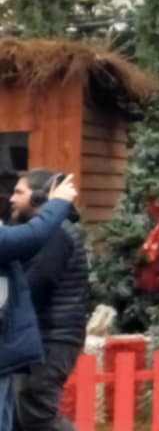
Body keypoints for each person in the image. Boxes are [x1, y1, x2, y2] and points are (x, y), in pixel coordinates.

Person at [0, 170, 78, 431]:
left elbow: (36, 283)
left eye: (19, 192)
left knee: (36, 415)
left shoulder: (55, 235)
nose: (11, 198)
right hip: (43, 333)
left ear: (39, 197)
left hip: (52, 335)